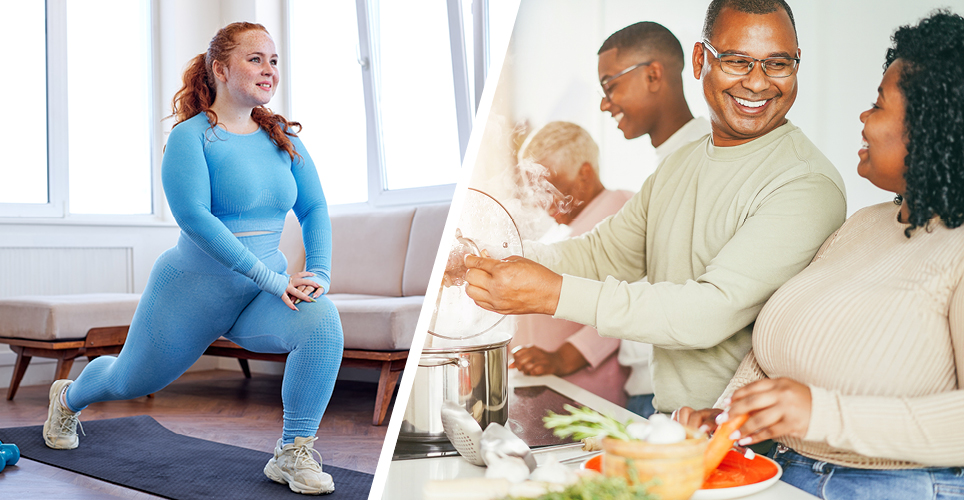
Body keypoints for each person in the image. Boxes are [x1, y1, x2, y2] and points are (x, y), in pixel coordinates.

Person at [461, 0, 847, 415]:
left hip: (749, 443)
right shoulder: (678, 166)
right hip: (675, 426)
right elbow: (598, 254)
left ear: (797, 64)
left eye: (777, 63)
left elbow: (707, 313)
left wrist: (551, 294)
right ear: (701, 60)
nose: (757, 83)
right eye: (737, 61)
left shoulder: (806, 183)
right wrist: (485, 251)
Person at [41, 22, 343, 495]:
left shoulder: (282, 136)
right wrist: (268, 276)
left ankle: (292, 452)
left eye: (274, 60)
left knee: (322, 322)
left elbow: (314, 207)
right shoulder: (192, 137)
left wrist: (319, 270)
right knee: (128, 381)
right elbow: (196, 220)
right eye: (255, 59)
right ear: (221, 69)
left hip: (258, 294)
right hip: (190, 294)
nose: (269, 71)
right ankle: (69, 397)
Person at [676, 11, 964, 499]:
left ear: (932, 128)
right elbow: (774, 352)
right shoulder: (864, 224)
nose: (863, 118)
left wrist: (821, 412)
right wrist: (727, 415)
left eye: (878, 105)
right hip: (779, 471)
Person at [597, 21, 712, 417]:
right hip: (650, 391)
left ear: (653, 74)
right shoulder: (664, 170)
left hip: (685, 404)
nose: (604, 103)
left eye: (610, 85)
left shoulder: (708, 165)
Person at [510, 121, 633, 405]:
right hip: (548, 387)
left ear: (584, 174)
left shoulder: (622, 213)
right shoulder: (560, 229)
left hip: (590, 393)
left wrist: (561, 358)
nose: (542, 202)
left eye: (549, 186)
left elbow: (629, 302)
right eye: (534, 190)